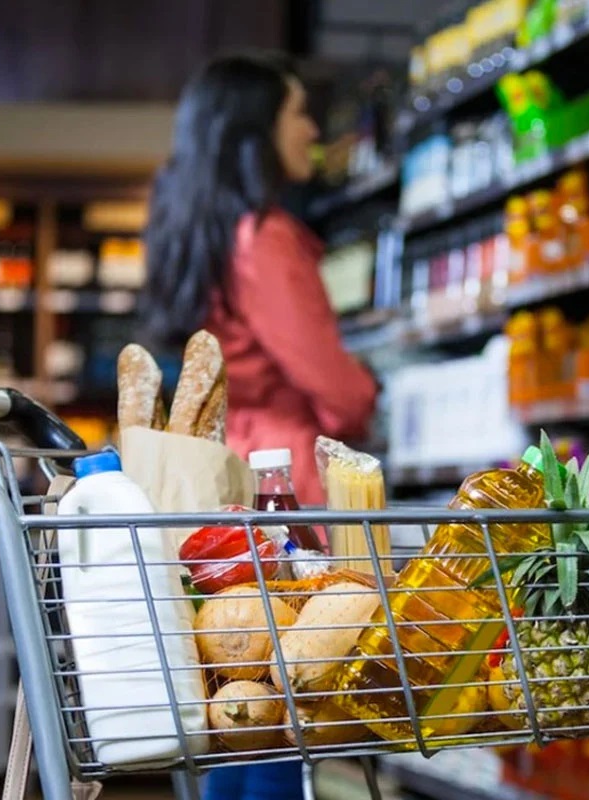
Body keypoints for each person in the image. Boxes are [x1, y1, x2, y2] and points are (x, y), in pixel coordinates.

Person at [138, 53, 378, 800]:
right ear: (254, 131)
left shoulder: (199, 233)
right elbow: (336, 386)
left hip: (222, 477)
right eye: (298, 112)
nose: (312, 128)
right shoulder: (264, 238)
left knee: (233, 693)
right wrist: (362, 400)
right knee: (279, 697)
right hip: (282, 490)